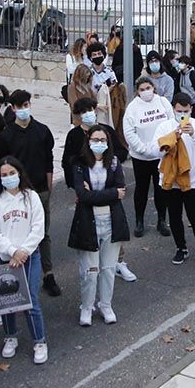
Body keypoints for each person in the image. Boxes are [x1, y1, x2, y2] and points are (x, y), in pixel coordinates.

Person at [0, 91, 61, 297]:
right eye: (18, 106)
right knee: (16, 232)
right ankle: (18, 274)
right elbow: (3, 164)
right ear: (12, 108)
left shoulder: (42, 131)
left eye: (25, 104)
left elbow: (49, 160)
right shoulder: (7, 135)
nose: (23, 109)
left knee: (43, 233)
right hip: (17, 192)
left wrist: (49, 188)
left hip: (40, 189)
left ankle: (48, 274)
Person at [63, 98, 135, 282]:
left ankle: (119, 263)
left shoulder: (106, 131)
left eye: (90, 109)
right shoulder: (74, 136)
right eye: (83, 111)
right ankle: (89, 270)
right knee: (88, 228)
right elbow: (68, 161)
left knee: (113, 230)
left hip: (108, 187)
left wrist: (106, 161)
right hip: (86, 191)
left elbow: (121, 151)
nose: (87, 114)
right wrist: (77, 186)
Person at [0, 157, 48, 364]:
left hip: (29, 256)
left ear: (19, 173)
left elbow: (38, 227)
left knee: (30, 299)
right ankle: (10, 336)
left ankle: (39, 341)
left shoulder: (31, 197)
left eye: (11, 173)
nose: (8, 178)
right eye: (4, 175)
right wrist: (12, 251)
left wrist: (23, 251)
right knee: (6, 301)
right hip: (6, 258)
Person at [68, 126, 129, 326]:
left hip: (111, 221)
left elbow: (121, 189)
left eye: (103, 139)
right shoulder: (79, 164)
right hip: (88, 222)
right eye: (95, 139)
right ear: (88, 140)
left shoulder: (113, 163)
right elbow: (83, 195)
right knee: (90, 272)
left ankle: (105, 304)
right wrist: (110, 194)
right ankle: (86, 306)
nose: (99, 143)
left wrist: (93, 195)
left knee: (109, 269)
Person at [151, 93, 195, 266]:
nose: (182, 115)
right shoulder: (164, 127)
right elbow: (154, 151)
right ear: (173, 109)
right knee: (174, 216)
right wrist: (171, 139)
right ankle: (181, 248)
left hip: (193, 181)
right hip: (171, 181)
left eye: (185, 111)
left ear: (191, 110)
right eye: (179, 111)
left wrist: (193, 134)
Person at [122, 76, 174, 239]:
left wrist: (165, 146)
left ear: (154, 88)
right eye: (142, 89)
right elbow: (129, 132)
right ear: (137, 91)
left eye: (148, 88)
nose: (146, 92)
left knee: (161, 189)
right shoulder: (132, 108)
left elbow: (171, 123)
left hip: (161, 154)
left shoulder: (163, 103)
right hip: (141, 157)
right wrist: (142, 149)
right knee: (141, 190)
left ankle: (161, 220)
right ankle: (139, 221)